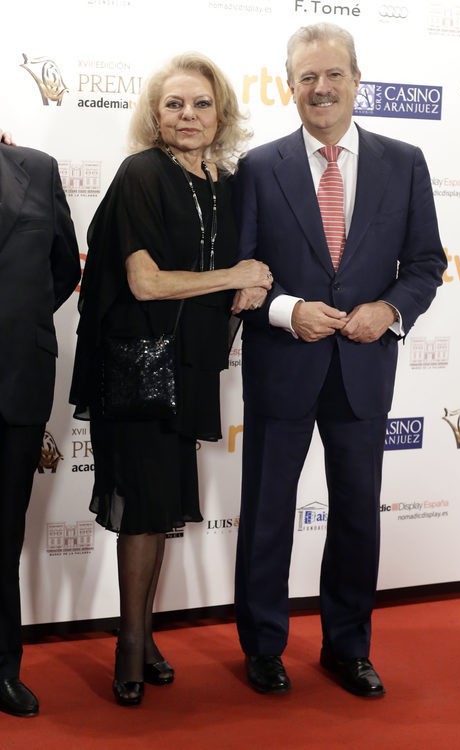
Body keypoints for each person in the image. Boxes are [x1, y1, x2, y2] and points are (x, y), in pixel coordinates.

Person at [232, 23, 447, 698]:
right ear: (289, 86)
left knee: (357, 514)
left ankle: (348, 648)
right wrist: (284, 311)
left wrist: (390, 310)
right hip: (281, 365)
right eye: (307, 77)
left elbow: (426, 264)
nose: (320, 88)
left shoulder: (404, 161)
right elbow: (239, 275)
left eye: (332, 74)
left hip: (364, 369)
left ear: (357, 79)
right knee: (267, 513)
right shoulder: (258, 167)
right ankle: (263, 647)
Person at [69, 53, 272, 707]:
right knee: (144, 509)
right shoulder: (141, 173)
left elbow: (250, 266)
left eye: (201, 103)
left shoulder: (227, 183)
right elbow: (145, 282)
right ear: (155, 116)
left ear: (222, 113)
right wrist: (237, 275)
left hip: (190, 369)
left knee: (158, 511)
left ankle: (144, 635)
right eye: (174, 104)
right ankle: (130, 647)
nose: (188, 115)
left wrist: (253, 282)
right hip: (136, 369)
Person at [0, 139, 80, 716]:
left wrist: (16, 324)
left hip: (17, 379)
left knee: (5, 536)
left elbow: (64, 266)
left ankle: (3, 666)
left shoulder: (37, 168)